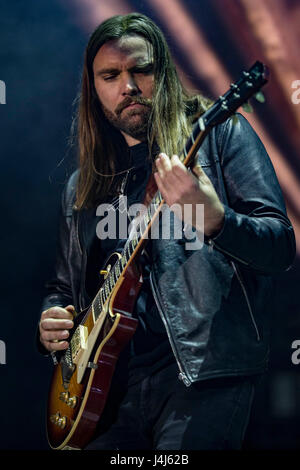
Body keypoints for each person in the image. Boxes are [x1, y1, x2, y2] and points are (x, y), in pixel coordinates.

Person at [38, 13, 296, 450]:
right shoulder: (82, 187)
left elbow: (280, 246)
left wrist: (216, 220)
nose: (129, 86)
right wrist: (53, 320)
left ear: (165, 72)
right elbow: (63, 287)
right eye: (111, 75)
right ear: (94, 89)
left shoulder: (219, 137)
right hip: (106, 392)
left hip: (199, 375)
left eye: (141, 69)